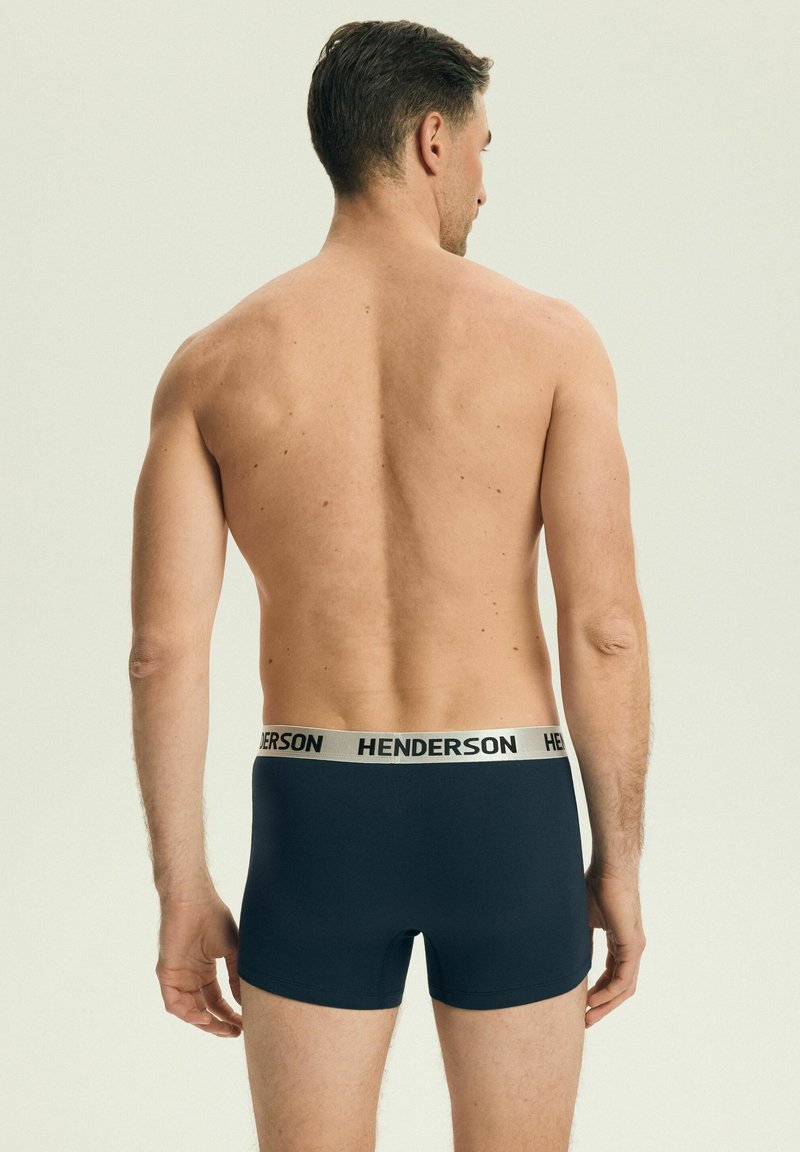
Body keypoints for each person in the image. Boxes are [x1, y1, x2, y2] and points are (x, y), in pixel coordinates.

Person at [128, 18, 651, 1152]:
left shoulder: (212, 364)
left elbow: (161, 654)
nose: (482, 184)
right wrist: (617, 862)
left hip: (316, 815)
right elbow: (604, 628)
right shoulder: (551, 343)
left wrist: (182, 887)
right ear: (431, 139)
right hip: (505, 811)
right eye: (482, 149)